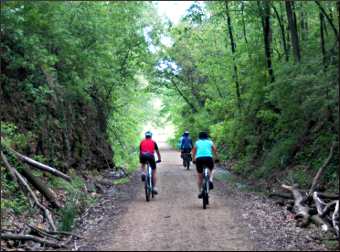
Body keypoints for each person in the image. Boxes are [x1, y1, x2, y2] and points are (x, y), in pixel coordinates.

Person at [192, 131, 219, 199]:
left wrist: (193, 159)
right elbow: (215, 150)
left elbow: (194, 151)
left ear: (199, 137)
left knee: (199, 176)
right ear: (207, 136)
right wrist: (216, 158)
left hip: (199, 159)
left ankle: (200, 191)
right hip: (208, 159)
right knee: (212, 169)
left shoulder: (197, 142)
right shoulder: (210, 142)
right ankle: (210, 180)